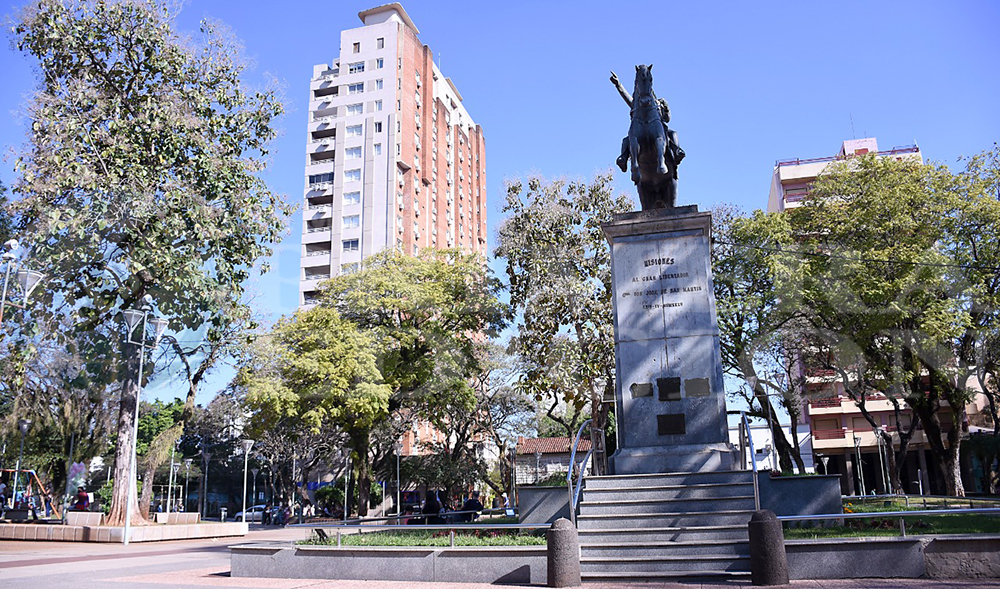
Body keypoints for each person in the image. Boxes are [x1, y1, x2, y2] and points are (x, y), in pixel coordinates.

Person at [609, 70, 685, 178]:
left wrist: (666, 109)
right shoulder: (638, 105)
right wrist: (618, 85)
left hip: (659, 128)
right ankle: (624, 158)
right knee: (626, 140)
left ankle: (677, 151)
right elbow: (628, 99)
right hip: (641, 126)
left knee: (673, 134)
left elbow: (667, 119)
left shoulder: (659, 104)